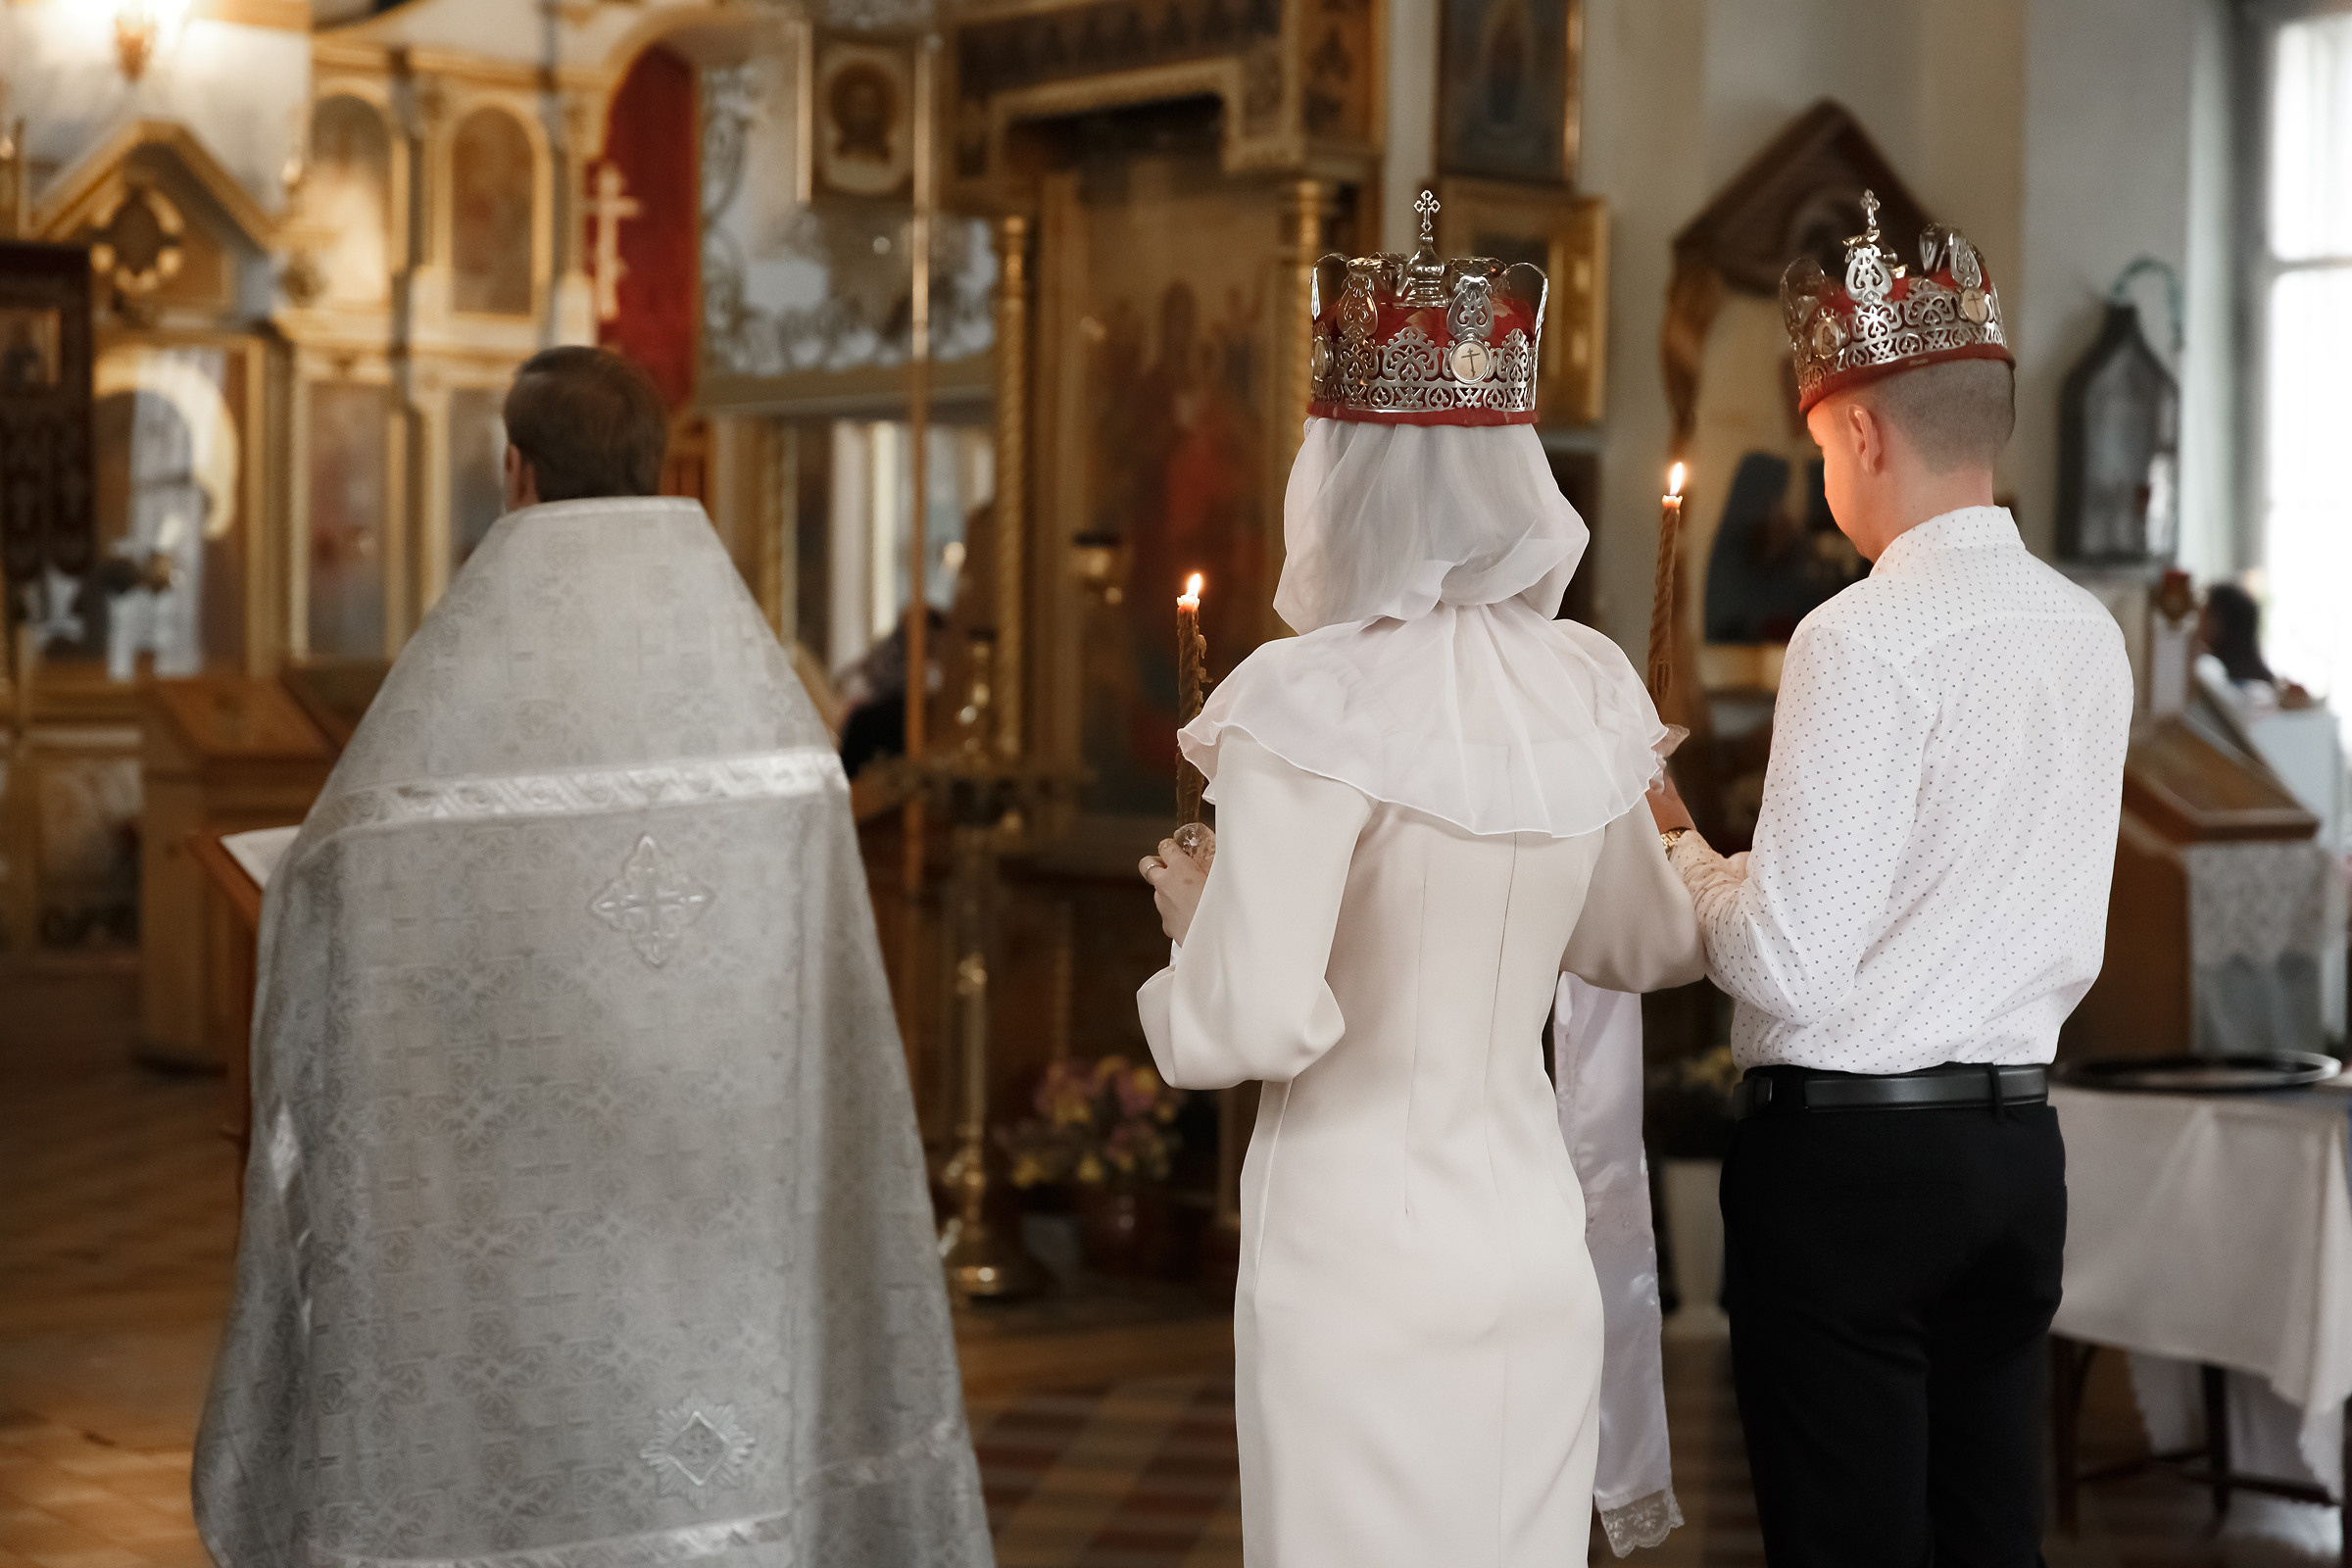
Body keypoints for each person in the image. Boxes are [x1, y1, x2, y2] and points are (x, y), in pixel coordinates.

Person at [194, 346, 992, 1568]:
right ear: (655, 462)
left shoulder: (456, 690)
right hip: (720, 1186)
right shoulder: (756, 700)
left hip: (519, 1190)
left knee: (528, 1437)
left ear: (514, 468)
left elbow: (341, 878)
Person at [1137, 209, 1707, 1565]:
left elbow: (1257, 1017)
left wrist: (1193, 927)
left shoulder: (1306, 699)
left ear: (1334, 469)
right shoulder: (1578, 686)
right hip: (1525, 1235)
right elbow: (1644, 937)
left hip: (1355, 1255)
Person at [1649, 196, 2134, 1565]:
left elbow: (1792, 960)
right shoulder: (2088, 635)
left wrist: (1680, 848)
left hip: (1854, 1171)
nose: (1820, 482)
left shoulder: (1861, 637)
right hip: (2017, 1152)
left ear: (1859, 429)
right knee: (1989, 1537)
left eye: (1817, 450)